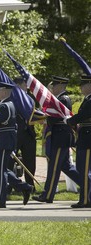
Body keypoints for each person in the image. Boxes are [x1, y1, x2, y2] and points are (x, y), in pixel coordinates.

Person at [0, 81, 32, 208]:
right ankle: (25, 187)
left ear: (4, 91)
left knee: (0, 171)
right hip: (6, 140)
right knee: (3, 169)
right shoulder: (8, 104)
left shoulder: (4, 106)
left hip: (4, 141)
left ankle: (0, 200)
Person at [32, 76, 81, 204]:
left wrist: (41, 116)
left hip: (60, 137)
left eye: (54, 85)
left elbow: (55, 118)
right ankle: (88, 184)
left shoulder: (63, 99)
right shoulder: (59, 99)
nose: (52, 88)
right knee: (66, 167)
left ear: (60, 86)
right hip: (59, 137)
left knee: (54, 167)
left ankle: (48, 195)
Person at [66, 74, 91, 208]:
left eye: (83, 85)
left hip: (88, 139)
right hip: (85, 137)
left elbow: (83, 115)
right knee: (83, 170)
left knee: (84, 170)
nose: (81, 88)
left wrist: (69, 121)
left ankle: (86, 200)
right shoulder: (87, 100)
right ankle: (86, 198)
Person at [9, 77, 37, 191]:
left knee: (30, 161)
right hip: (16, 133)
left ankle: (30, 185)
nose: (27, 86)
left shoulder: (30, 99)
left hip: (28, 133)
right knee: (10, 161)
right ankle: (11, 185)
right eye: (25, 84)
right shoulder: (11, 99)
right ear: (18, 85)